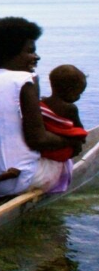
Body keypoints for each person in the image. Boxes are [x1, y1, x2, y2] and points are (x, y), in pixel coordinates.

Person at [0, 17, 83, 202]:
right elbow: (38, 139)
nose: (36, 57)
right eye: (30, 51)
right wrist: (73, 141)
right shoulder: (25, 79)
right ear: (9, 53)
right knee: (66, 157)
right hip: (16, 181)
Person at [38, 65, 88, 193]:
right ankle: (63, 179)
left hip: (44, 149)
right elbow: (79, 130)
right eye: (79, 93)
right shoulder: (70, 108)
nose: (79, 97)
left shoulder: (41, 104)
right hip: (60, 151)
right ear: (71, 90)